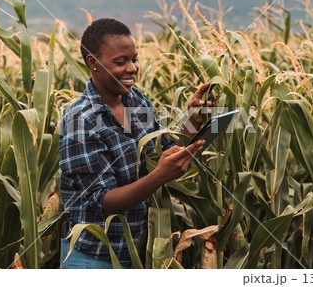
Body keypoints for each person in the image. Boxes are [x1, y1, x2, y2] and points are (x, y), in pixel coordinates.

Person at [59, 18, 212, 269]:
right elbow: (103, 201)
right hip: (94, 259)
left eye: (134, 59)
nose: (132, 68)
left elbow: (163, 151)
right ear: (93, 63)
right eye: (121, 62)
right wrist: (159, 177)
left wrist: (194, 121)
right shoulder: (81, 120)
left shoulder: (136, 100)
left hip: (138, 254)